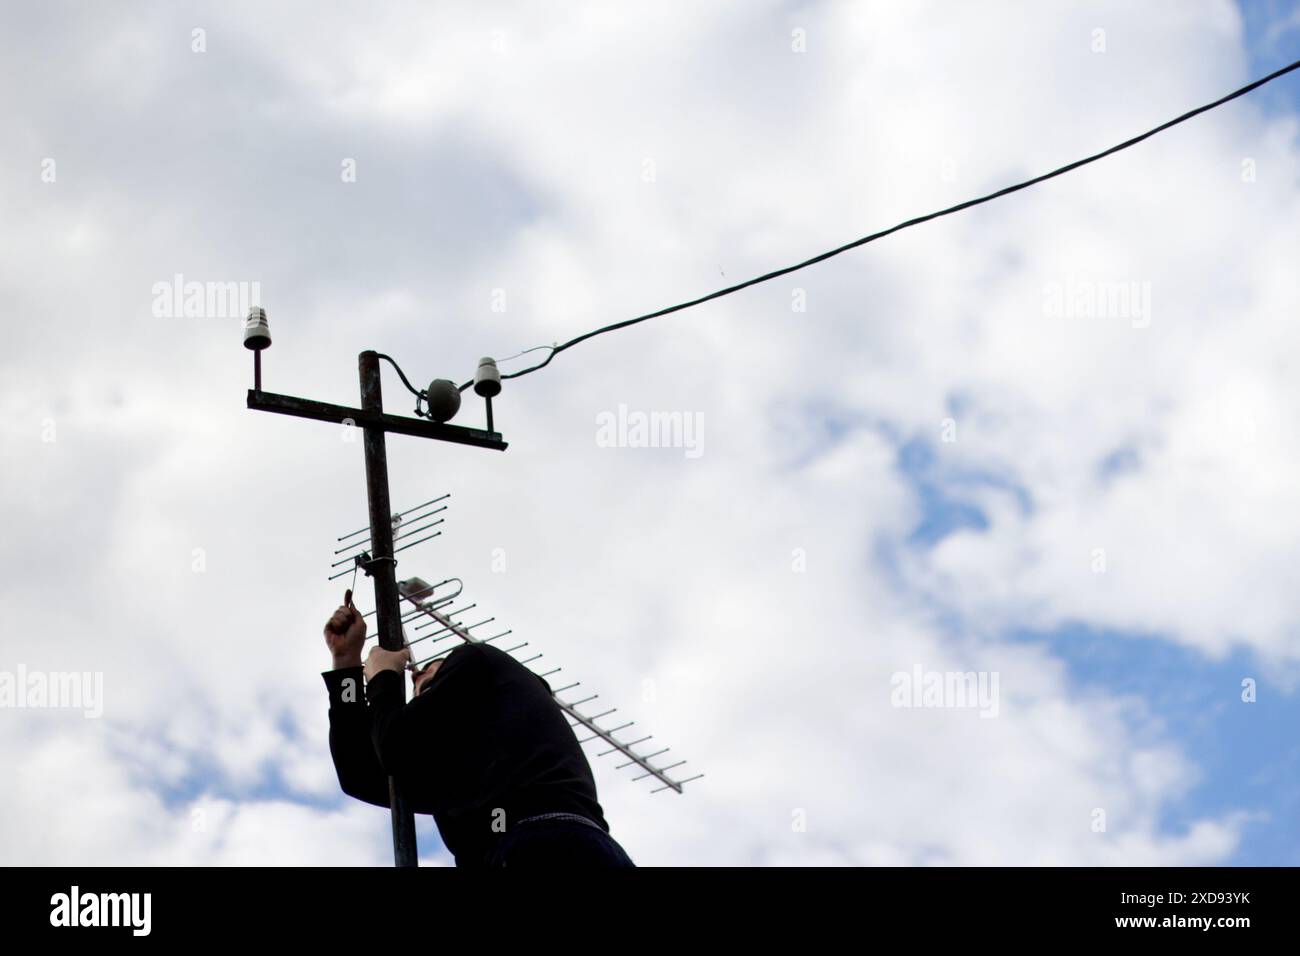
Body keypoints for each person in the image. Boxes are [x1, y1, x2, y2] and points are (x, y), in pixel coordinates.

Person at [321, 595, 635, 867]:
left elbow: (397, 746)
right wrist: (346, 664)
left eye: (431, 673)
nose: (418, 676)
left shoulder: (477, 660)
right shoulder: (451, 766)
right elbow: (359, 774)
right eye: (416, 690)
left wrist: (384, 679)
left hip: (549, 842)